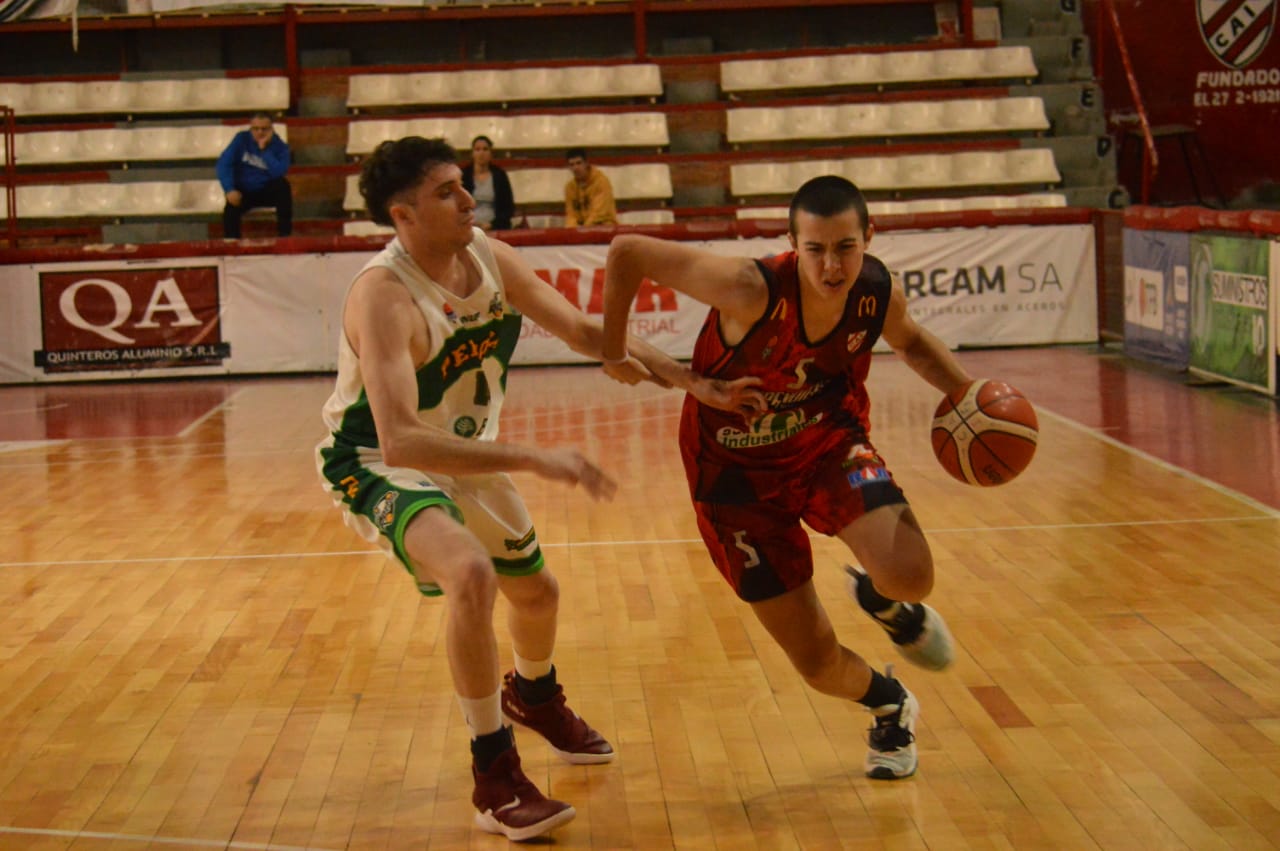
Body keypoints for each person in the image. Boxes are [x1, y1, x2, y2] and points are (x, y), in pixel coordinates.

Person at [315, 136, 761, 840]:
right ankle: (493, 774)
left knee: (538, 593)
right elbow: (400, 437)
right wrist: (532, 457)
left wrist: (695, 384)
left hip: (463, 449)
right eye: (446, 193)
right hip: (377, 459)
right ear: (402, 216)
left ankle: (534, 693)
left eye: (465, 185)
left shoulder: (488, 255)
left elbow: (588, 328)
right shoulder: (385, 296)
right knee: (468, 573)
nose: (469, 200)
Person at [600, 174, 974, 781]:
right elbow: (626, 252)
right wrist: (629, 355)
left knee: (912, 574)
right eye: (817, 250)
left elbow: (914, 344)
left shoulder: (875, 292)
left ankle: (883, 594)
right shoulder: (749, 288)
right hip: (734, 479)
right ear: (792, 244)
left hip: (827, 444)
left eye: (846, 248)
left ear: (869, 238)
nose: (831, 266)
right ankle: (888, 701)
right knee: (818, 662)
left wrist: (967, 396)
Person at [216, 112, 292, 239]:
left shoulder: (280, 147)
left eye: (264, 129)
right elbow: (224, 164)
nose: (260, 133)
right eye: (256, 129)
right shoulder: (241, 139)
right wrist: (229, 189)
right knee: (230, 209)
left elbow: (279, 172)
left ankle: (284, 236)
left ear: (271, 129)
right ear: (250, 128)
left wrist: (265, 151)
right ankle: (232, 243)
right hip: (244, 191)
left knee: (283, 186)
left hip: (265, 191)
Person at [461, 134, 515, 231]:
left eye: (485, 149)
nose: (481, 153)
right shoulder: (464, 176)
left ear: (491, 153)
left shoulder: (500, 175)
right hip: (468, 227)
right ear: (472, 153)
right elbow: (458, 205)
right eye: (477, 149)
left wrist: (491, 225)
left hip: (495, 228)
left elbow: (508, 208)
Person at [563, 146, 616, 227]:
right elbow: (571, 215)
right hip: (583, 229)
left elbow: (599, 214)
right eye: (572, 164)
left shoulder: (601, 182)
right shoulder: (569, 188)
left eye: (579, 163)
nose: (576, 168)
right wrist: (572, 231)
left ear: (586, 163)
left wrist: (583, 231)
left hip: (604, 228)